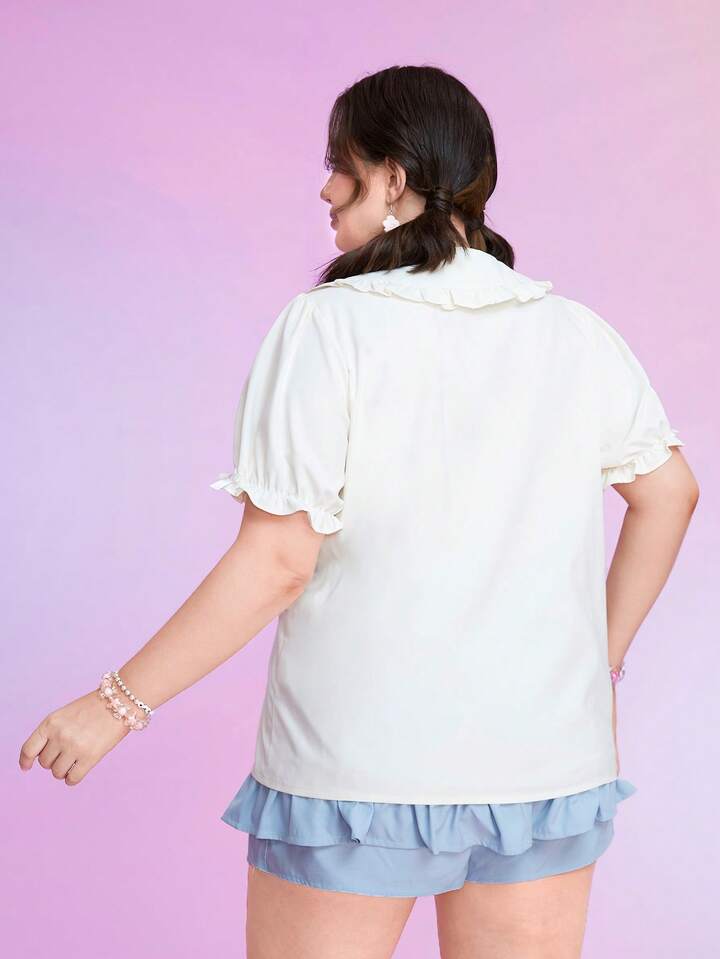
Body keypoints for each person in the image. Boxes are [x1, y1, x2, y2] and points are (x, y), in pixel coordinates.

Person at [18, 65, 699, 959]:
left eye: (339, 165)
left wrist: (116, 704)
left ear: (393, 178)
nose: (326, 188)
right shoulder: (577, 333)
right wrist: (596, 665)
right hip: (545, 768)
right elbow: (669, 492)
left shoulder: (328, 327)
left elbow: (278, 561)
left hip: (357, 771)